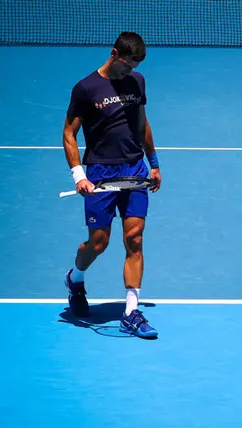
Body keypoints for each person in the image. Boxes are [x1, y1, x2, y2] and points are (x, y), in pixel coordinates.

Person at [62, 31, 161, 339]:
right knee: (99, 243)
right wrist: (79, 175)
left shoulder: (137, 82)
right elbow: (69, 133)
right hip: (100, 173)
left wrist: (154, 163)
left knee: (134, 238)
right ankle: (75, 279)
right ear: (114, 53)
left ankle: (131, 313)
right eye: (128, 65)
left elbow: (142, 123)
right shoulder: (86, 88)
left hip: (134, 169)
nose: (131, 72)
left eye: (135, 67)